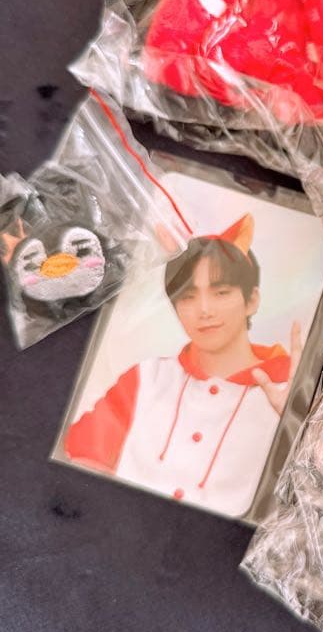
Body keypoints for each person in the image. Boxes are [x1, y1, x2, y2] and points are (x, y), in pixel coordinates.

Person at [65, 214, 302, 517]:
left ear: (252, 300)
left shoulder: (289, 389)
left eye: (221, 292)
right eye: (188, 296)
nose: (204, 310)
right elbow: (79, 455)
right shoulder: (147, 377)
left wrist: (301, 422)